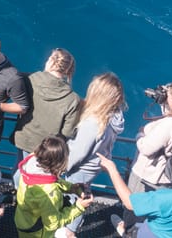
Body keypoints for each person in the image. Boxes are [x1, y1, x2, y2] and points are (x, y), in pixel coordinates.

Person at [58, 72, 126, 238]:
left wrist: (61, 167)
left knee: (74, 198)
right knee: (83, 192)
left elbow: (78, 153)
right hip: (94, 165)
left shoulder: (93, 123)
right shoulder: (114, 116)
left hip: (81, 168)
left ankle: (69, 231)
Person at [121, 81, 172, 232]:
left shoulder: (170, 125)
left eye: (170, 97)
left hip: (147, 174)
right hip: (162, 177)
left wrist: (140, 134)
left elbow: (146, 148)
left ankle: (128, 229)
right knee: (152, 209)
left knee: (133, 206)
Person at [14, 135, 94, 238]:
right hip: (38, 231)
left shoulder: (31, 165)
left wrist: (72, 188)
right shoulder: (49, 193)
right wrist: (79, 207)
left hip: (23, 220)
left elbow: (49, 179)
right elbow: (53, 224)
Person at [99, 150, 172, 238]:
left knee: (133, 229)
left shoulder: (167, 197)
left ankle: (125, 232)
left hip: (149, 234)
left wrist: (112, 170)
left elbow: (129, 202)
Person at [12, 48, 81, 157]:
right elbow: (68, 132)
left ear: (51, 62)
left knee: (19, 169)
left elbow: (12, 82)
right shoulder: (73, 99)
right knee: (37, 173)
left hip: (24, 139)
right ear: (68, 70)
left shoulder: (30, 79)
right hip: (46, 149)